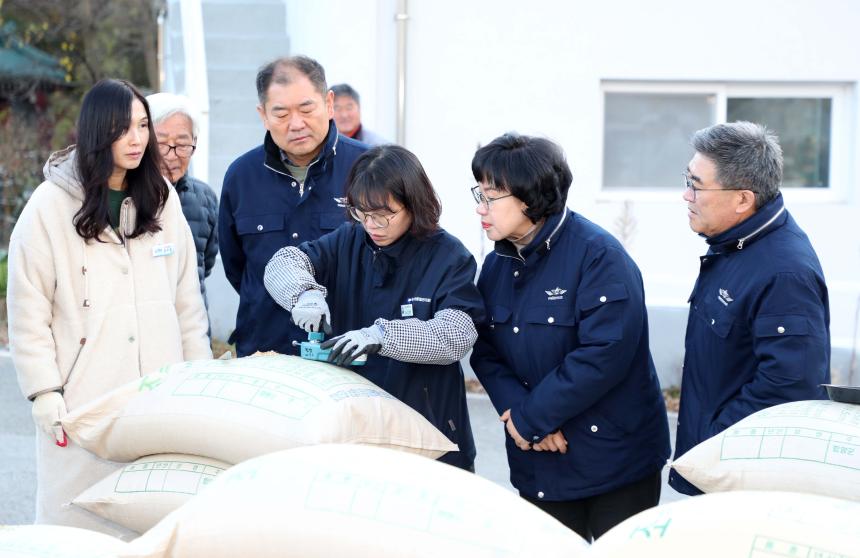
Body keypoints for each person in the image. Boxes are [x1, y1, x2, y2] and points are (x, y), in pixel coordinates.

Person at [7, 78, 212, 536]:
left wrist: (198, 380)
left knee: (155, 525)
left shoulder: (162, 199)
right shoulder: (50, 206)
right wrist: (44, 392)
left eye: (143, 126)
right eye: (124, 128)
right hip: (84, 403)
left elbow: (187, 304)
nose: (138, 139)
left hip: (161, 396)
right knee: (75, 526)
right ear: (99, 132)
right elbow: (28, 307)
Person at [469, 133, 670, 541]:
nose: (480, 208)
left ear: (529, 197)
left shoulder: (599, 256)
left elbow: (604, 354)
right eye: (479, 194)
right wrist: (518, 415)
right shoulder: (498, 263)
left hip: (614, 461)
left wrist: (531, 419)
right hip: (539, 457)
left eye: (491, 197)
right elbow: (485, 349)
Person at [263, 144, 485, 471]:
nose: (372, 225)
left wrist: (383, 336)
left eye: (384, 214)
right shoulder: (348, 241)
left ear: (414, 204)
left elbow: (455, 335)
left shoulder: (450, 257)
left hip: (429, 432)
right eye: (362, 213)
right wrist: (304, 294)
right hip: (356, 429)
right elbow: (285, 261)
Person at [669, 121, 830, 495]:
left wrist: (713, 444)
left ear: (743, 199)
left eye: (696, 185)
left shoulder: (785, 273)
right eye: (687, 179)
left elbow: (788, 386)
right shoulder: (733, 243)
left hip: (739, 481)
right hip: (711, 468)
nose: (686, 196)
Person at [219, 56, 368, 357]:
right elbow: (236, 267)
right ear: (263, 115)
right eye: (281, 113)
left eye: (306, 108)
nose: (296, 124)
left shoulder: (369, 168)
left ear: (328, 104)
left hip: (346, 355)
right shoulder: (241, 176)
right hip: (263, 354)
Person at [146, 92, 219, 309]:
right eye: (161, 143)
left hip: (192, 327)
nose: (171, 155)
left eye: (182, 144)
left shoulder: (205, 198)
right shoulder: (124, 198)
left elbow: (205, 266)